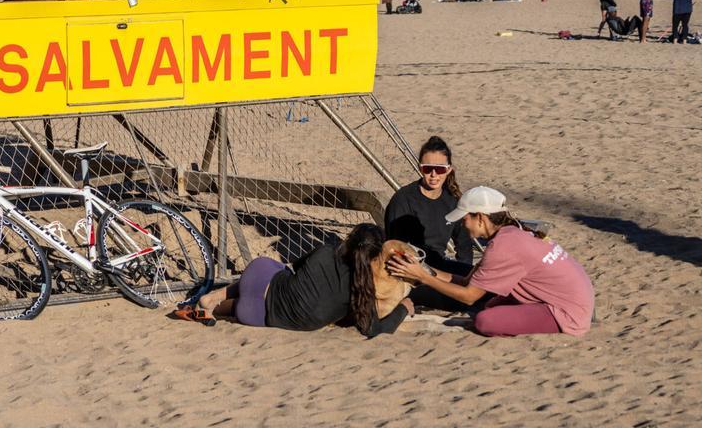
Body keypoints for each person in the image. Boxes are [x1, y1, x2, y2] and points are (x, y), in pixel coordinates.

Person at [387, 186, 594, 337]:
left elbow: (468, 296)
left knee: (484, 321)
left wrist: (422, 277)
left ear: (481, 218)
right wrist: (422, 268)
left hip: (569, 313)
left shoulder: (503, 246)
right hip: (575, 299)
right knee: (489, 306)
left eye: (465, 219)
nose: (463, 225)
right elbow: (467, 281)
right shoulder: (512, 233)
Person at [192, 224, 412, 336]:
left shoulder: (327, 251)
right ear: (375, 257)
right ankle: (219, 303)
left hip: (257, 277)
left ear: (349, 239)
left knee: (278, 270)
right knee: (275, 290)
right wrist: (403, 308)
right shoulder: (362, 288)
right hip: (253, 316)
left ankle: (215, 297)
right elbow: (373, 330)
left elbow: (292, 268)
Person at [385, 136, 473, 276]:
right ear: (420, 168)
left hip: (440, 266)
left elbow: (464, 244)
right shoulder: (403, 199)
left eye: (440, 169)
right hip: (410, 268)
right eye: (428, 168)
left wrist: (465, 276)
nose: (433, 174)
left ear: (449, 169)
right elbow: (395, 246)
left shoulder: (452, 200)